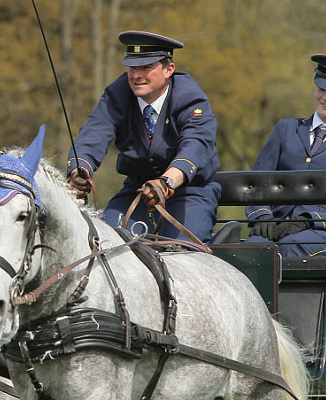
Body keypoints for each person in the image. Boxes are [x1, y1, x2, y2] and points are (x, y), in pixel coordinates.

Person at [66, 30, 220, 242]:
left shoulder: (189, 97)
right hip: (136, 191)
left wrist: (167, 183)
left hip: (189, 193)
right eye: (132, 67)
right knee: (103, 245)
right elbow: (95, 132)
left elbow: (196, 145)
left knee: (182, 255)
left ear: (169, 70)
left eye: (147, 67)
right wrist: (79, 169)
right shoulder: (117, 94)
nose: (137, 75)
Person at [246, 54, 326, 257]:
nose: (325, 97)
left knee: (290, 247)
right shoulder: (285, 129)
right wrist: (262, 215)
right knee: (249, 251)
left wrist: (310, 219)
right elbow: (256, 181)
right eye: (321, 89)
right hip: (276, 228)